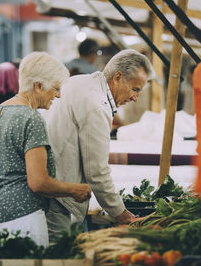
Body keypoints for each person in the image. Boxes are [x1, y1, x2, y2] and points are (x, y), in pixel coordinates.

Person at [0, 52, 92, 249]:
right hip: (22, 219)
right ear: (38, 86)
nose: (58, 95)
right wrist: (74, 189)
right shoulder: (31, 118)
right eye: (55, 88)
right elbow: (38, 182)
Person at [45, 49, 154, 242]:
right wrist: (121, 214)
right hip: (59, 198)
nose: (136, 98)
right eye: (135, 89)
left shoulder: (82, 82)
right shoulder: (97, 104)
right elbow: (96, 171)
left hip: (53, 187)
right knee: (59, 255)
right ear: (118, 77)